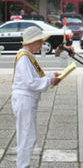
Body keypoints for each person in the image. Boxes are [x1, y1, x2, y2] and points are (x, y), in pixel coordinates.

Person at [11, 26, 61, 168]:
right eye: (39, 41)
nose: (41, 45)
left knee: (28, 135)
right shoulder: (24, 58)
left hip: (26, 99)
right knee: (26, 136)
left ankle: (24, 165)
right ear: (32, 42)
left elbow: (37, 76)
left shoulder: (27, 56)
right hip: (24, 99)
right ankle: (22, 165)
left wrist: (51, 76)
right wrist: (50, 80)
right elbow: (31, 82)